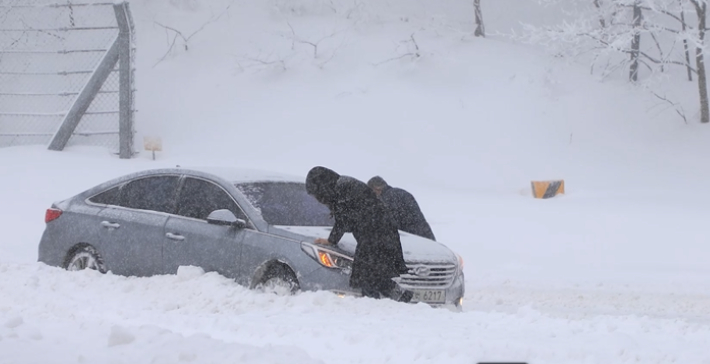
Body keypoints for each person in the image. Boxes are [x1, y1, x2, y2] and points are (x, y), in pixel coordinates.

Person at [305, 166, 412, 302]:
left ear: (322, 186)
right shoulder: (344, 184)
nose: (318, 198)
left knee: (366, 274)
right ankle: (399, 294)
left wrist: (331, 240)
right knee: (375, 272)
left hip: (375, 233)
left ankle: (373, 306)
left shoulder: (343, 188)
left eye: (316, 193)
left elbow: (344, 219)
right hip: (382, 230)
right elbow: (351, 217)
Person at [367, 176, 436, 241]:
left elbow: (392, 223)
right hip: (425, 236)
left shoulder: (387, 199)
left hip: (413, 239)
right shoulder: (400, 193)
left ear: (377, 188)